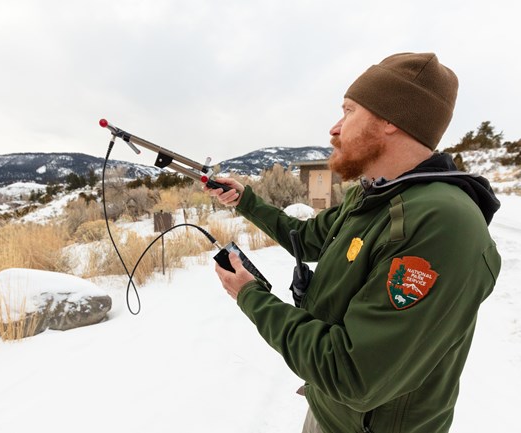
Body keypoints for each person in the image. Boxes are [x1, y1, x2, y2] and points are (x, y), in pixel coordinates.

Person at [207, 52, 502, 433]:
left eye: (349, 111)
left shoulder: (439, 223)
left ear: (392, 121)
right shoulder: (373, 197)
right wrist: (246, 200)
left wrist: (250, 296)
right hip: (331, 409)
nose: (334, 128)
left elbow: (352, 375)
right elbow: (308, 238)